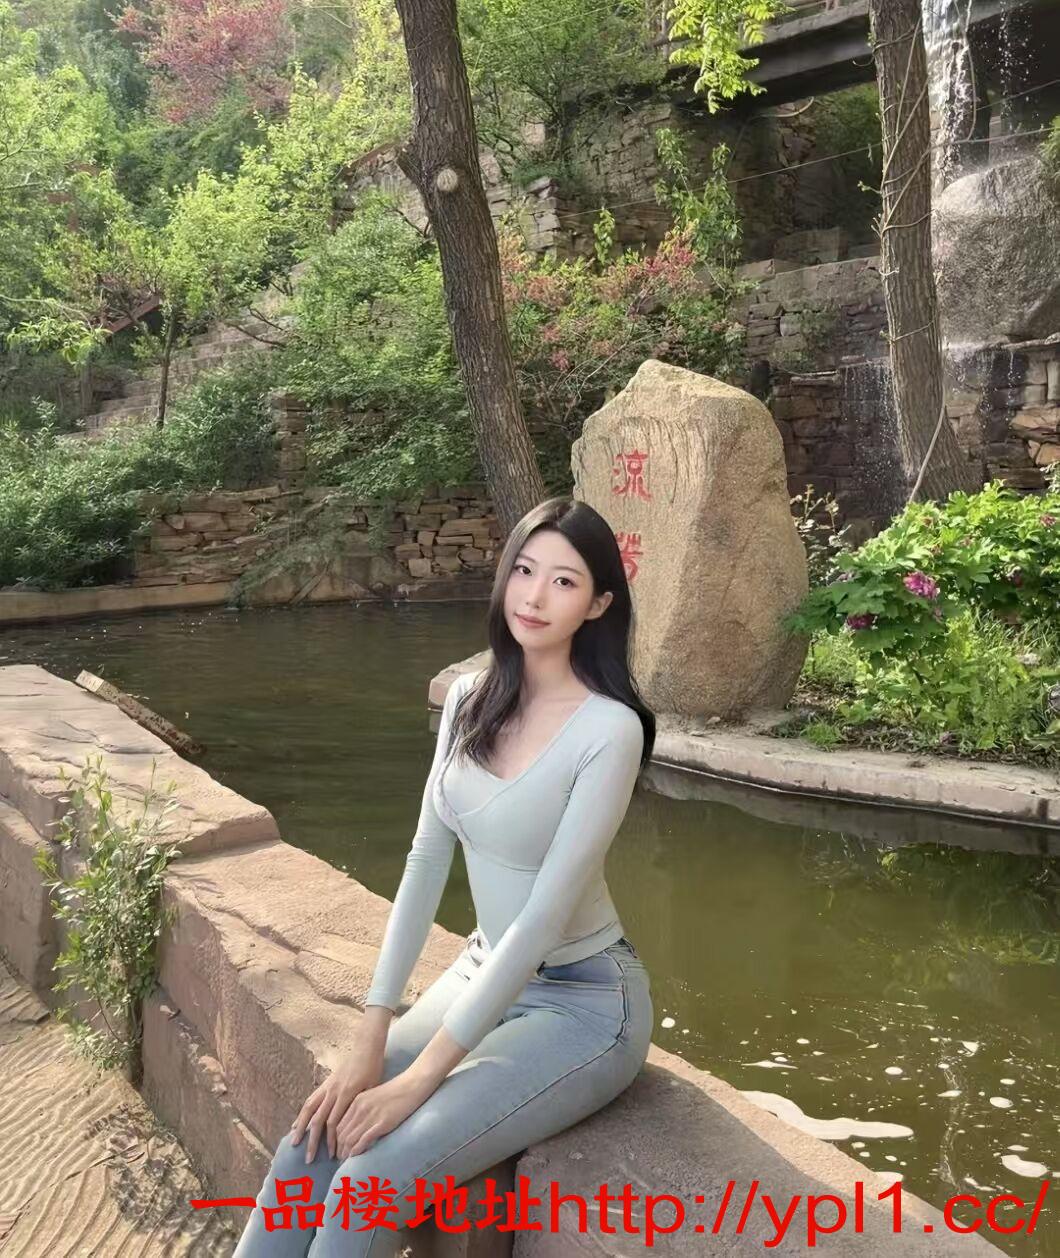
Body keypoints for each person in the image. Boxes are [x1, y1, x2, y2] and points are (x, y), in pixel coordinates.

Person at [233, 495, 657, 1257]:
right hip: (480, 968)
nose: (534, 596)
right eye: (524, 570)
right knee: (312, 1138)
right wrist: (371, 1033)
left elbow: (541, 920)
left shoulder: (608, 729)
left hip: (584, 999)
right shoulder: (468, 698)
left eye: (564, 582)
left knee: (372, 1176)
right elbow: (426, 860)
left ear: (598, 604)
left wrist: (419, 1078)